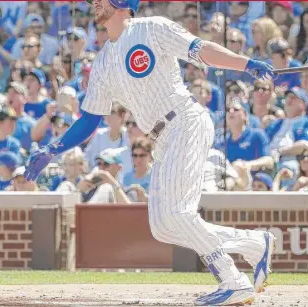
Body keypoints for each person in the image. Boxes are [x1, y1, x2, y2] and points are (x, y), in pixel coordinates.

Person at [23, 0, 276, 305]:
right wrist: (53, 149)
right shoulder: (102, 61)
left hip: (184, 120)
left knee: (176, 214)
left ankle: (232, 280)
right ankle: (253, 243)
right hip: (163, 136)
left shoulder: (151, 28)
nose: (94, 5)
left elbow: (199, 49)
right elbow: (90, 119)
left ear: (119, 3)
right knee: (163, 227)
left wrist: (244, 63)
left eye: (100, 0)